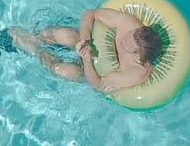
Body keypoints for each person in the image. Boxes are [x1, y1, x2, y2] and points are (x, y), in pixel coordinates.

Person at [9, 8, 164, 93]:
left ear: (137, 54)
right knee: (66, 35)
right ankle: (33, 38)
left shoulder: (136, 72)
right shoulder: (129, 24)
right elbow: (90, 14)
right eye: (126, 36)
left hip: (93, 71)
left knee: (65, 71)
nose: (122, 40)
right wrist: (85, 41)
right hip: (93, 44)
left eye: (125, 44)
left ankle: (35, 51)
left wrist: (87, 59)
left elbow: (99, 85)